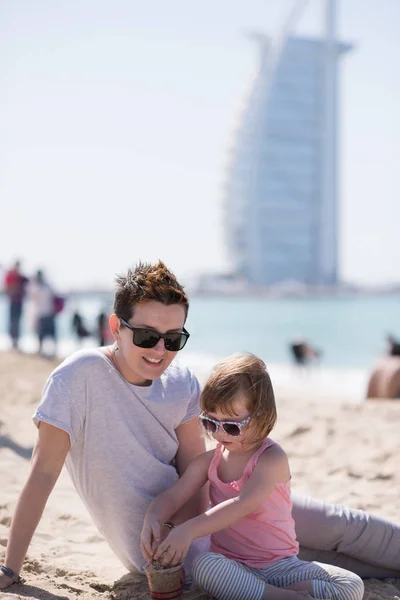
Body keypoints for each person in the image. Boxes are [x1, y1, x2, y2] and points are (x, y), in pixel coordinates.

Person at [0, 260, 399, 592]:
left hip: (228, 509)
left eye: (173, 339)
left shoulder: (181, 382)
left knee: (349, 527)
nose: (160, 351)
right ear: (115, 327)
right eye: (146, 336)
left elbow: (202, 469)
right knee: (332, 566)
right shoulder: (78, 377)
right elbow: (43, 472)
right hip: (185, 549)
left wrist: (202, 530)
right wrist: (11, 568)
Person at [142, 353, 364, 599]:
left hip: (281, 565)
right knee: (204, 565)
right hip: (234, 567)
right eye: (210, 423)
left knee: (351, 585)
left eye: (231, 426)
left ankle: (270, 594)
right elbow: (174, 497)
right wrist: (154, 516)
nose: (219, 434)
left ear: (261, 418)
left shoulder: (271, 459)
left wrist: (189, 529)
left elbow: (243, 504)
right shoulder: (209, 462)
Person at [27, 270, 57, 357]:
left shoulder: (37, 287)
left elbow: (31, 297)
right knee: (50, 333)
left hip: (42, 313)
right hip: (49, 312)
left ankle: (41, 350)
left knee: (42, 334)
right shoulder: (48, 286)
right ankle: (52, 350)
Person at [4, 260, 29, 350]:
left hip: (19, 303)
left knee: (17, 322)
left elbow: (28, 283)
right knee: (12, 322)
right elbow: (6, 288)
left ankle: (16, 341)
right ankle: (13, 341)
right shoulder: (11, 275)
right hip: (12, 302)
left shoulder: (21, 277)